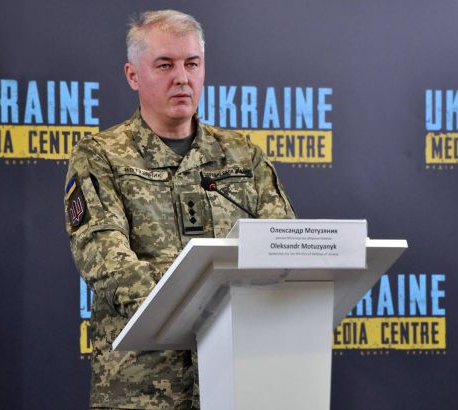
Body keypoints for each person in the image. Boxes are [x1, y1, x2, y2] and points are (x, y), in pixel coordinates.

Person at [64, 9, 295, 410]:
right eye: (165, 65)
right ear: (133, 75)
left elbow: (283, 247)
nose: (182, 78)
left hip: (237, 381)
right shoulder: (101, 156)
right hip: (143, 390)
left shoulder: (242, 155)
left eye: (192, 64)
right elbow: (106, 262)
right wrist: (203, 307)